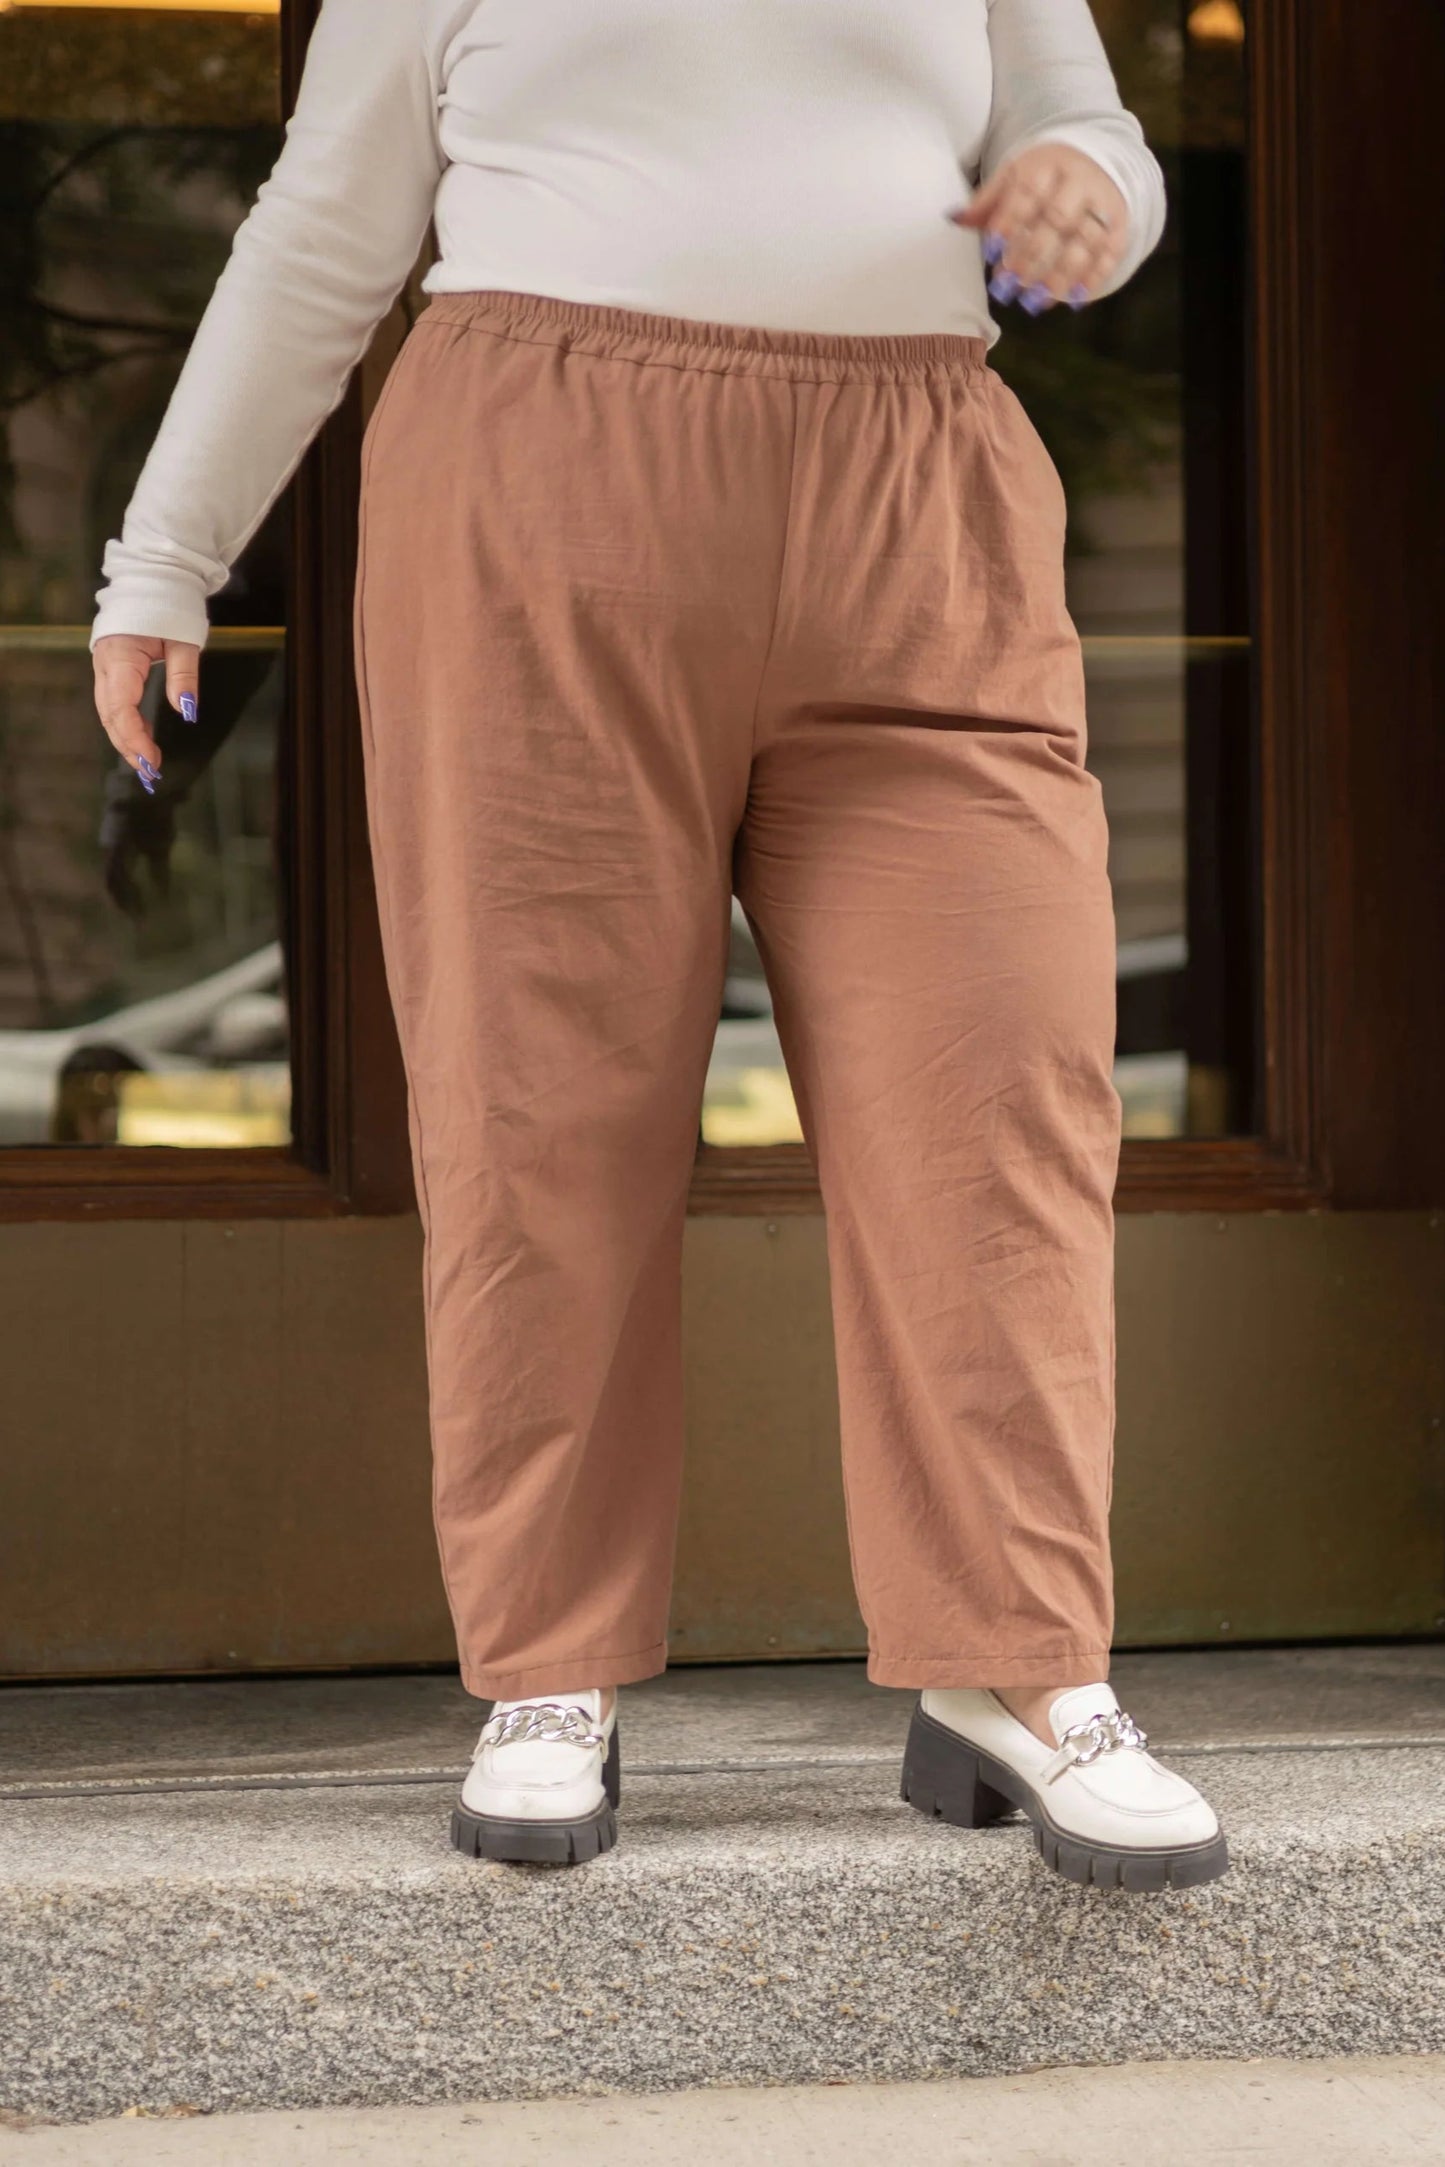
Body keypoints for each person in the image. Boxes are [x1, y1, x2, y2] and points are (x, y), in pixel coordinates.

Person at [89, 0, 1227, 1893]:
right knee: (539, 1106)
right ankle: (549, 1668)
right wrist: (163, 557)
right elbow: (322, 232)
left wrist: (1082, 195)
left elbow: (1091, 146)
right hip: (537, 485)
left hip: (917, 495)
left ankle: (1019, 1663)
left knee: (999, 1099)